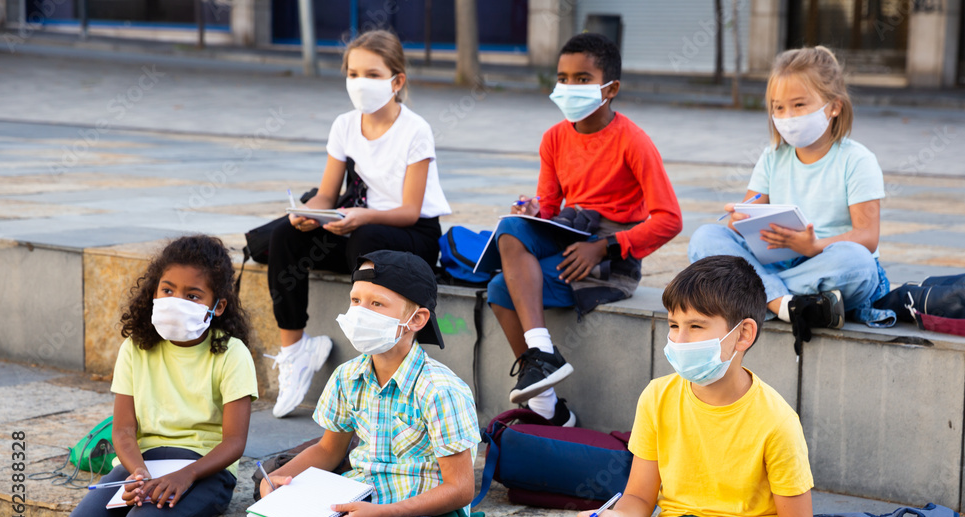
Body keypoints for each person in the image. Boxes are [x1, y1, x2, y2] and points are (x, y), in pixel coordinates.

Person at [240, 250, 479, 517]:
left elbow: (459, 489)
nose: (359, 312)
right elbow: (329, 450)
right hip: (352, 504)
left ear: (417, 320)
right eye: (355, 301)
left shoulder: (441, 390)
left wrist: (379, 514)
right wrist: (278, 478)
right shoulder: (348, 376)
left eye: (377, 304)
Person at [577, 255, 814, 517]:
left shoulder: (777, 421)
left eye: (697, 326)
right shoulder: (657, 396)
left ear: (743, 335)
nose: (680, 340)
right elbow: (637, 495)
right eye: (673, 325)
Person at [56, 235, 257, 517]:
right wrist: (138, 473)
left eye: (192, 294)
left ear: (216, 306)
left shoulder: (231, 353)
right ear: (153, 291)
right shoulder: (136, 347)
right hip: (140, 465)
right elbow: (124, 429)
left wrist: (184, 477)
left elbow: (234, 443)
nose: (174, 300)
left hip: (204, 471)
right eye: (167, 289)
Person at [487, 32, 682, 427]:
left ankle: (549, 409)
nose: (569, 87)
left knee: (499, 289)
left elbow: (670, 219)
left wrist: (605, 247)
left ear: (610, 88)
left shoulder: (633, 141)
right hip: (568, 235)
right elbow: (550, 209)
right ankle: (543, 369)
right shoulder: (554, 138)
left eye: (582, 78)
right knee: (510, 228)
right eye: (563, 78)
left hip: (612, 256)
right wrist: (531, 211)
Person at [266, 29, 451, 418]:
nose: (359, 83)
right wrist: (309, 213)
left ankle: (367, 361)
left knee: (364, 236)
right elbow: (327, 195)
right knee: (284, 235)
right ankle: (296, 351)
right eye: (353, 74)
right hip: (358, 227)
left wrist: (361, 216)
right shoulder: (344, 125)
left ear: (396, 81)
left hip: (412, 233)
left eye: (371, 74)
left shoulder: (415, 129)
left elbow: (411, 210)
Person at [688, 46, 894, 355]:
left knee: (859, 264)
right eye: (778, 107)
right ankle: (787, 304)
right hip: (777, 260)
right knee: (706, 237)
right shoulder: (773, 157)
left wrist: (811, 247)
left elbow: (866, 237)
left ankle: (756, 296)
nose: (787, 117)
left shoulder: (857, 160)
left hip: (826, 263)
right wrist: (738, 220)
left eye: (799, 105)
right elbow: (749, 210)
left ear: (834, 107)